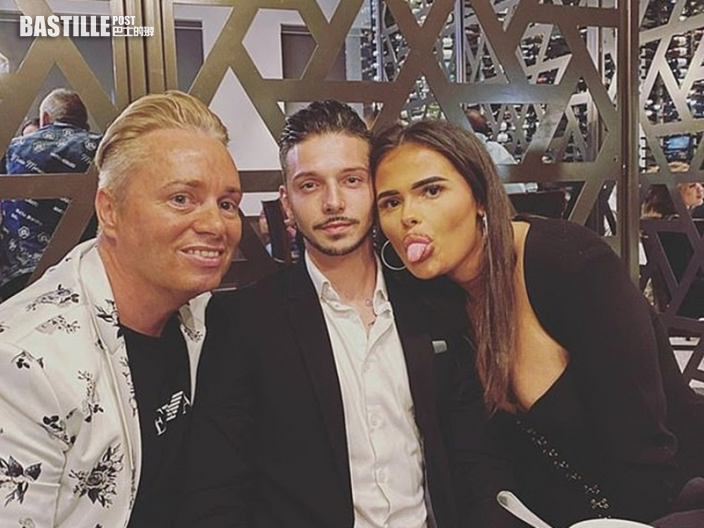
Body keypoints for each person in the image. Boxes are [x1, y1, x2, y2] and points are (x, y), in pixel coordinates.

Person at [178, 101, 518, 527]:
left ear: (374, 189)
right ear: (286, 203)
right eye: (309, 185)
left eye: (351, 180)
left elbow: (475, 454)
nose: (333, 202)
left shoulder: (432, 301)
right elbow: (217, 489)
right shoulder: (243, 321)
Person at [371, 119, 704, 527]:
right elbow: (478, 457)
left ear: (480, 196)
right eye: (391, 202)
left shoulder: (571, 267)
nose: (408, 216)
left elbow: (645, 452)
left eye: (431, 190)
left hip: (676, 500)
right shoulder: (435, 303)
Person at [0, 91, 242, 527]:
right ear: (109, 210)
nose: (214, 224)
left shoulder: (204, 317)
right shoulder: (26, 362)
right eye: (182, 199)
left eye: (227, 204)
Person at [0, 89, 103, 300]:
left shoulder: (14, 148)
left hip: (18, 275)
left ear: (45, 118)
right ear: (84, 122)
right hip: (82, 271)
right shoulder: (101, 148)